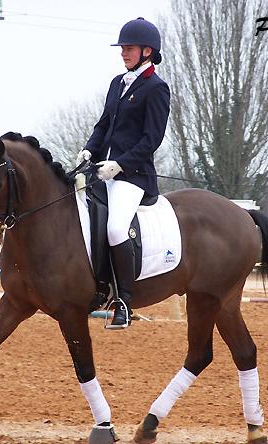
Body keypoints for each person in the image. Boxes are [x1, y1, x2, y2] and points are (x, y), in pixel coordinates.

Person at [76, 17, 171, 329]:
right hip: (103, 172)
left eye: (128, 48)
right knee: (83, 219)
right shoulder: (118, 83)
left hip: (133, 177)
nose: (123, 53)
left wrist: (120, 164)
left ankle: (125, 302)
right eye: (122, 48)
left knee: (117, 229)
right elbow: (103, 125)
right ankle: (97, 286)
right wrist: (90, 150)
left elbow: (151, 140)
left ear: (147, 51)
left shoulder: (156, 88)